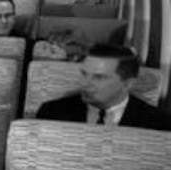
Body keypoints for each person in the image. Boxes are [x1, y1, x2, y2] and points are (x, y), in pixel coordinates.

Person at [35, 44, 171, 131]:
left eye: (99, 77)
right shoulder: (51, 113)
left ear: (128, 84)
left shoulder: (158, 124)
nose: (85, 83)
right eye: (84, 74)